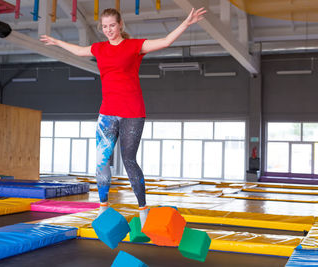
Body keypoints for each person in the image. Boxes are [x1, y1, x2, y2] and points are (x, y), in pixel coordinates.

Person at [40, 7, 206, 227]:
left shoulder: (134, 46)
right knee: (101, 162)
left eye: (112, 25)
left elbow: (165, 41)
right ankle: (103, 207)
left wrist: (186, 23)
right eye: (105, 26)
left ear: (120, 25)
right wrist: (58, 42)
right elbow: (80, 51)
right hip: (107, 112)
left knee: (129, 160)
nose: (108, 30)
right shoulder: (99, 48)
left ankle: (142, 209)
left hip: (132, 113)